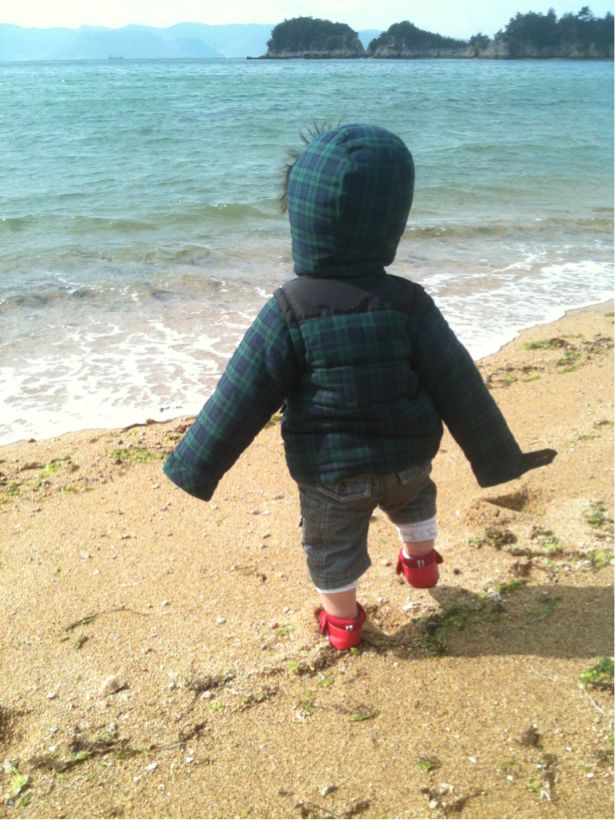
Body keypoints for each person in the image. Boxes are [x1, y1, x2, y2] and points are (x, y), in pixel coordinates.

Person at [163, 123, 556, 650]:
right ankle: (421, 564)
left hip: (332, 476)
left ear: (302, 217)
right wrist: (499, 459)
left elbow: (240, 396)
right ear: (391, 219)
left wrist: (195, 464)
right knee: (415, 503)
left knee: (331, 546)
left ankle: (344, 624)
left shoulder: (289, 308)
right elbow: (460, 385)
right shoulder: (410, 302)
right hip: (409, 463)